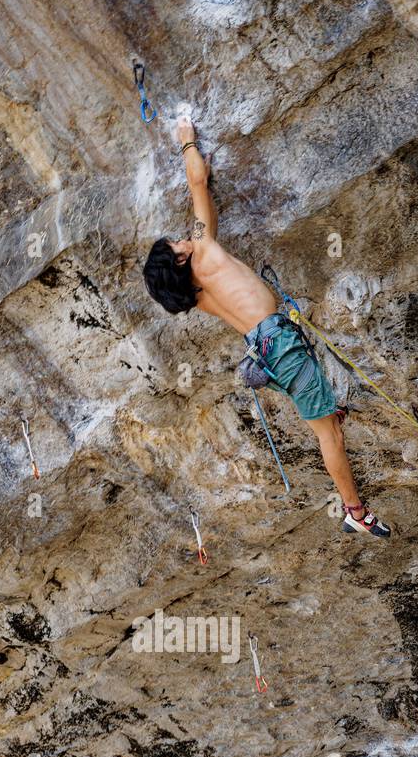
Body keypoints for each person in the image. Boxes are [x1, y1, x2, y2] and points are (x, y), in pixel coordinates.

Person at [143, 121, 390, 536]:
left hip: (266, 351)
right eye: (175, 243)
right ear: (180, 259)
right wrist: (186, 135)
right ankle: (354, 510)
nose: (181, 238)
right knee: (328, 434)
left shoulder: (200, 291)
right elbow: (197, 182)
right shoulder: (202, 251)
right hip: (282, 349)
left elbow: (210, 223)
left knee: (325, 421)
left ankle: (330, 419)